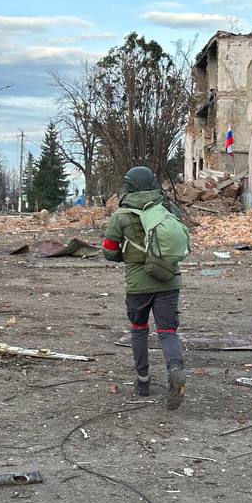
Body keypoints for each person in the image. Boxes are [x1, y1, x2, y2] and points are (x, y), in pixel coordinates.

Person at [101, 166, 187, 410]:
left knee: (139, 330)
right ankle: (175, 370)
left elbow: (108, 251)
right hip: (169, 279)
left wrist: (127, 257)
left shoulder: (121, 215)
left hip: (138, 284)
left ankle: (143, 381)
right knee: (168, 332)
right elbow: (178, 241)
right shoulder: (169, 208)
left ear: (129, 187)